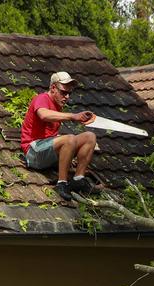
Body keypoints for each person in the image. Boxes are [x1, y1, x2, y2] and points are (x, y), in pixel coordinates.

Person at [20, 72, 97, 201]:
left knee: (90, 137)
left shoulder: (58, 106)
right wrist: (73, 116)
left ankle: (78, 179)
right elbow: (44, 115)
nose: (66, 97)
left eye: (69, 94)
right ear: (53, 88)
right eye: (63, 93)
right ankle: (62, 183)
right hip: (33, 152)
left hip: (47, 151)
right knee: (70, 138)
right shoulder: (42, 98)